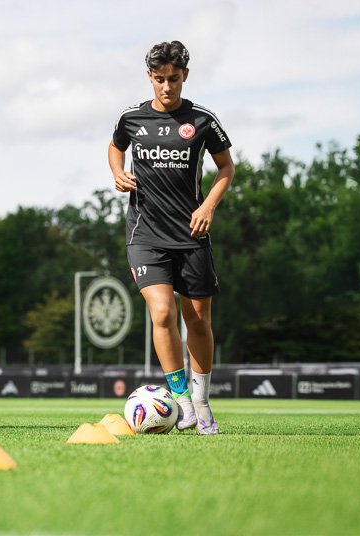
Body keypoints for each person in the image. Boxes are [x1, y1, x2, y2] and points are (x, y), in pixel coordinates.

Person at [108, 41, 234, 434]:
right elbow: (115, 148)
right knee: (161, 313)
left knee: (196, 319)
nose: (167, 86)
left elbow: (227, 167)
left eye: (174, 79)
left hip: (191, 232)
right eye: (160, 79)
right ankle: (181, 400)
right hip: (145, 232)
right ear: (150, 77)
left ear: (185, 76)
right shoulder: (131, 118)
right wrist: (117, 173)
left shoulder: (201, 120)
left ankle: (201, 400)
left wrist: (208, 206)